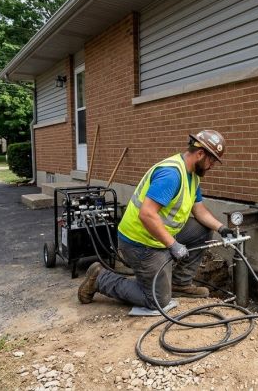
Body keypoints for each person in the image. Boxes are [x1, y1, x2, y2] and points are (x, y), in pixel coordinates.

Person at [77, 130, 233, 310]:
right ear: (200, 154)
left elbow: (198, 209)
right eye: (211, 160)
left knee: (202, 229)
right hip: (140, 242)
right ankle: (100, 278)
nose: (211, 165)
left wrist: (222, 228)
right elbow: (147, 214)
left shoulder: (192, 175)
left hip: (158, 235)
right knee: (158, 301)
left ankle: (180, 284)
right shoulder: (171, 175)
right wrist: (173, 245)